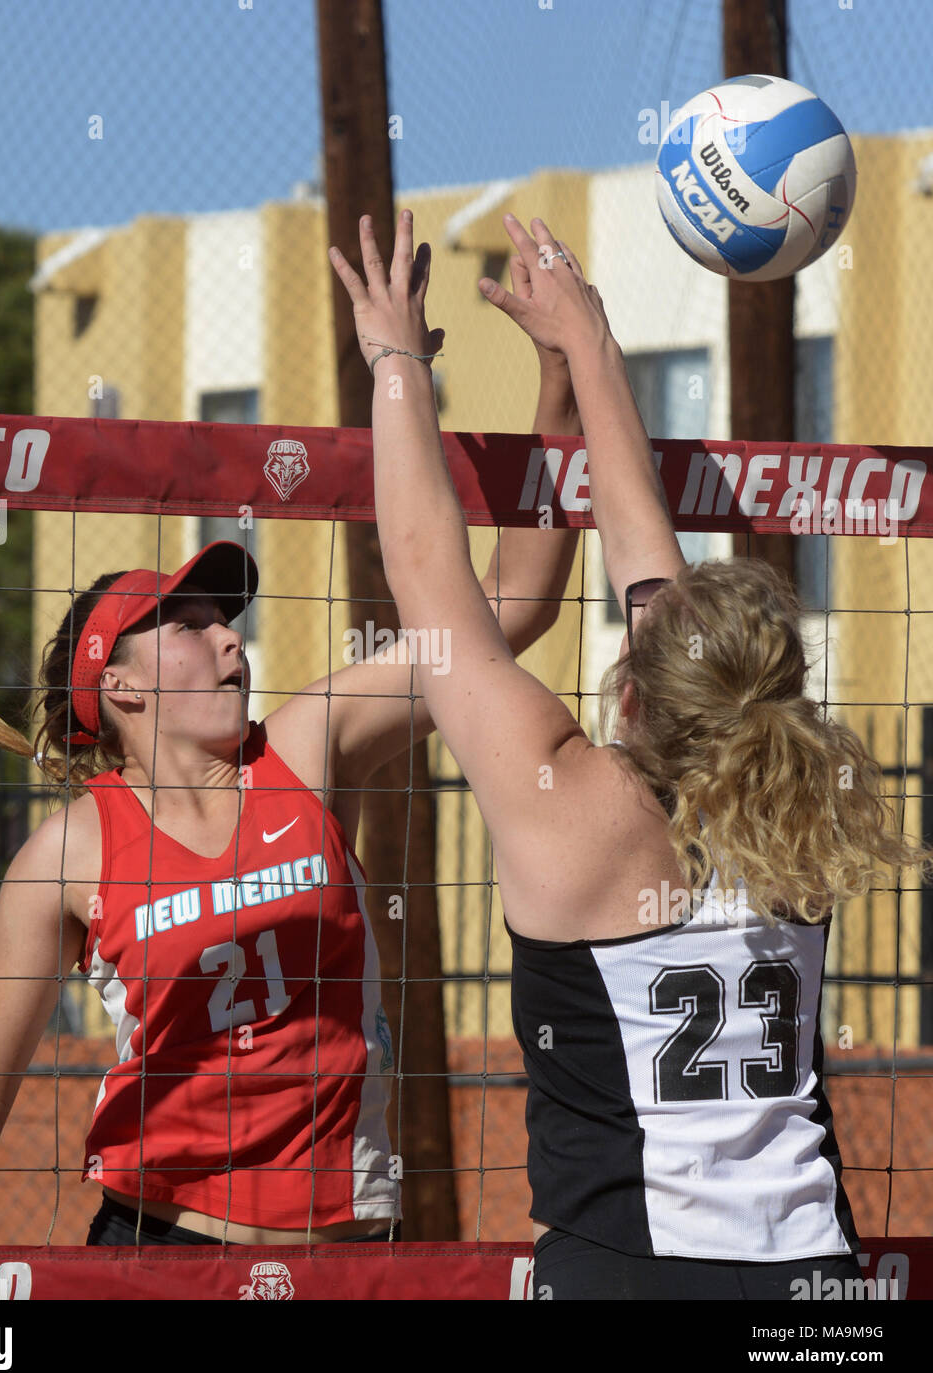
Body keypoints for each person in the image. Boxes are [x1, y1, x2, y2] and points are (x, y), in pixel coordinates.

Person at [328, 208, 933, 1297]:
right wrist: (587, 350)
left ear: (633, 698)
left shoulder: (567, 802)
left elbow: (427, 576)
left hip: (631, 1273)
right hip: (813, 1279)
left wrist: (396, 359)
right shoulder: (793, 797)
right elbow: (658, 584)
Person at [0, 323, 582, 1248]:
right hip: (159, 1246)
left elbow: (514, 607)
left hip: (342, 1253)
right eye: (187, 624)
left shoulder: (304, 747)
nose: (228, 637)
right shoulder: (73, 851)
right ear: (123, 684)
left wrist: (562, 383)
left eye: (225, 619)